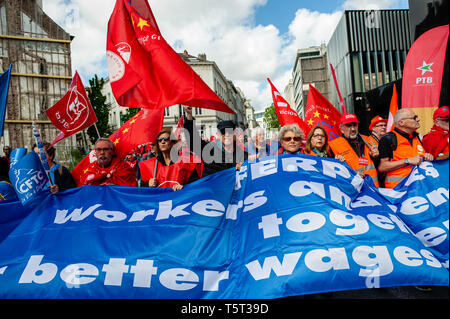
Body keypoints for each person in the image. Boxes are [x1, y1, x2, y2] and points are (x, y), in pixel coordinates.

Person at [183, 106, 248, 176]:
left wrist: (244, 167)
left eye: (230, 131)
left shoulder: (244, 156)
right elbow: (194, 141)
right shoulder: (209, 150)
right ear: (218, 135)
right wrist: (189, 115)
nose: (227, 134)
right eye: (223, 132)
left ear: (235, 134)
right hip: (211, 186)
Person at [378, 109, 434, 189]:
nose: (418, 119)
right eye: (414, 118)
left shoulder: (417, 137)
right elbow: (382, 167)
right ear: (401, 123)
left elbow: (418, 157)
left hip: (418, 188)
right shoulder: (388, 139)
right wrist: (407, 161)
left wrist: (427, 156)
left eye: (417, 117)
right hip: (398, 190)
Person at [329, 113, 380, 187]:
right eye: (349, 126)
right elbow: (333, 173)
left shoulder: (369, 140)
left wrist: (376, 157)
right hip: (352, 189)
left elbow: (380, 166)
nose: (353, 129)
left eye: (354, 125)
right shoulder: (333, 145)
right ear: (341, 129)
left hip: (372, 188)